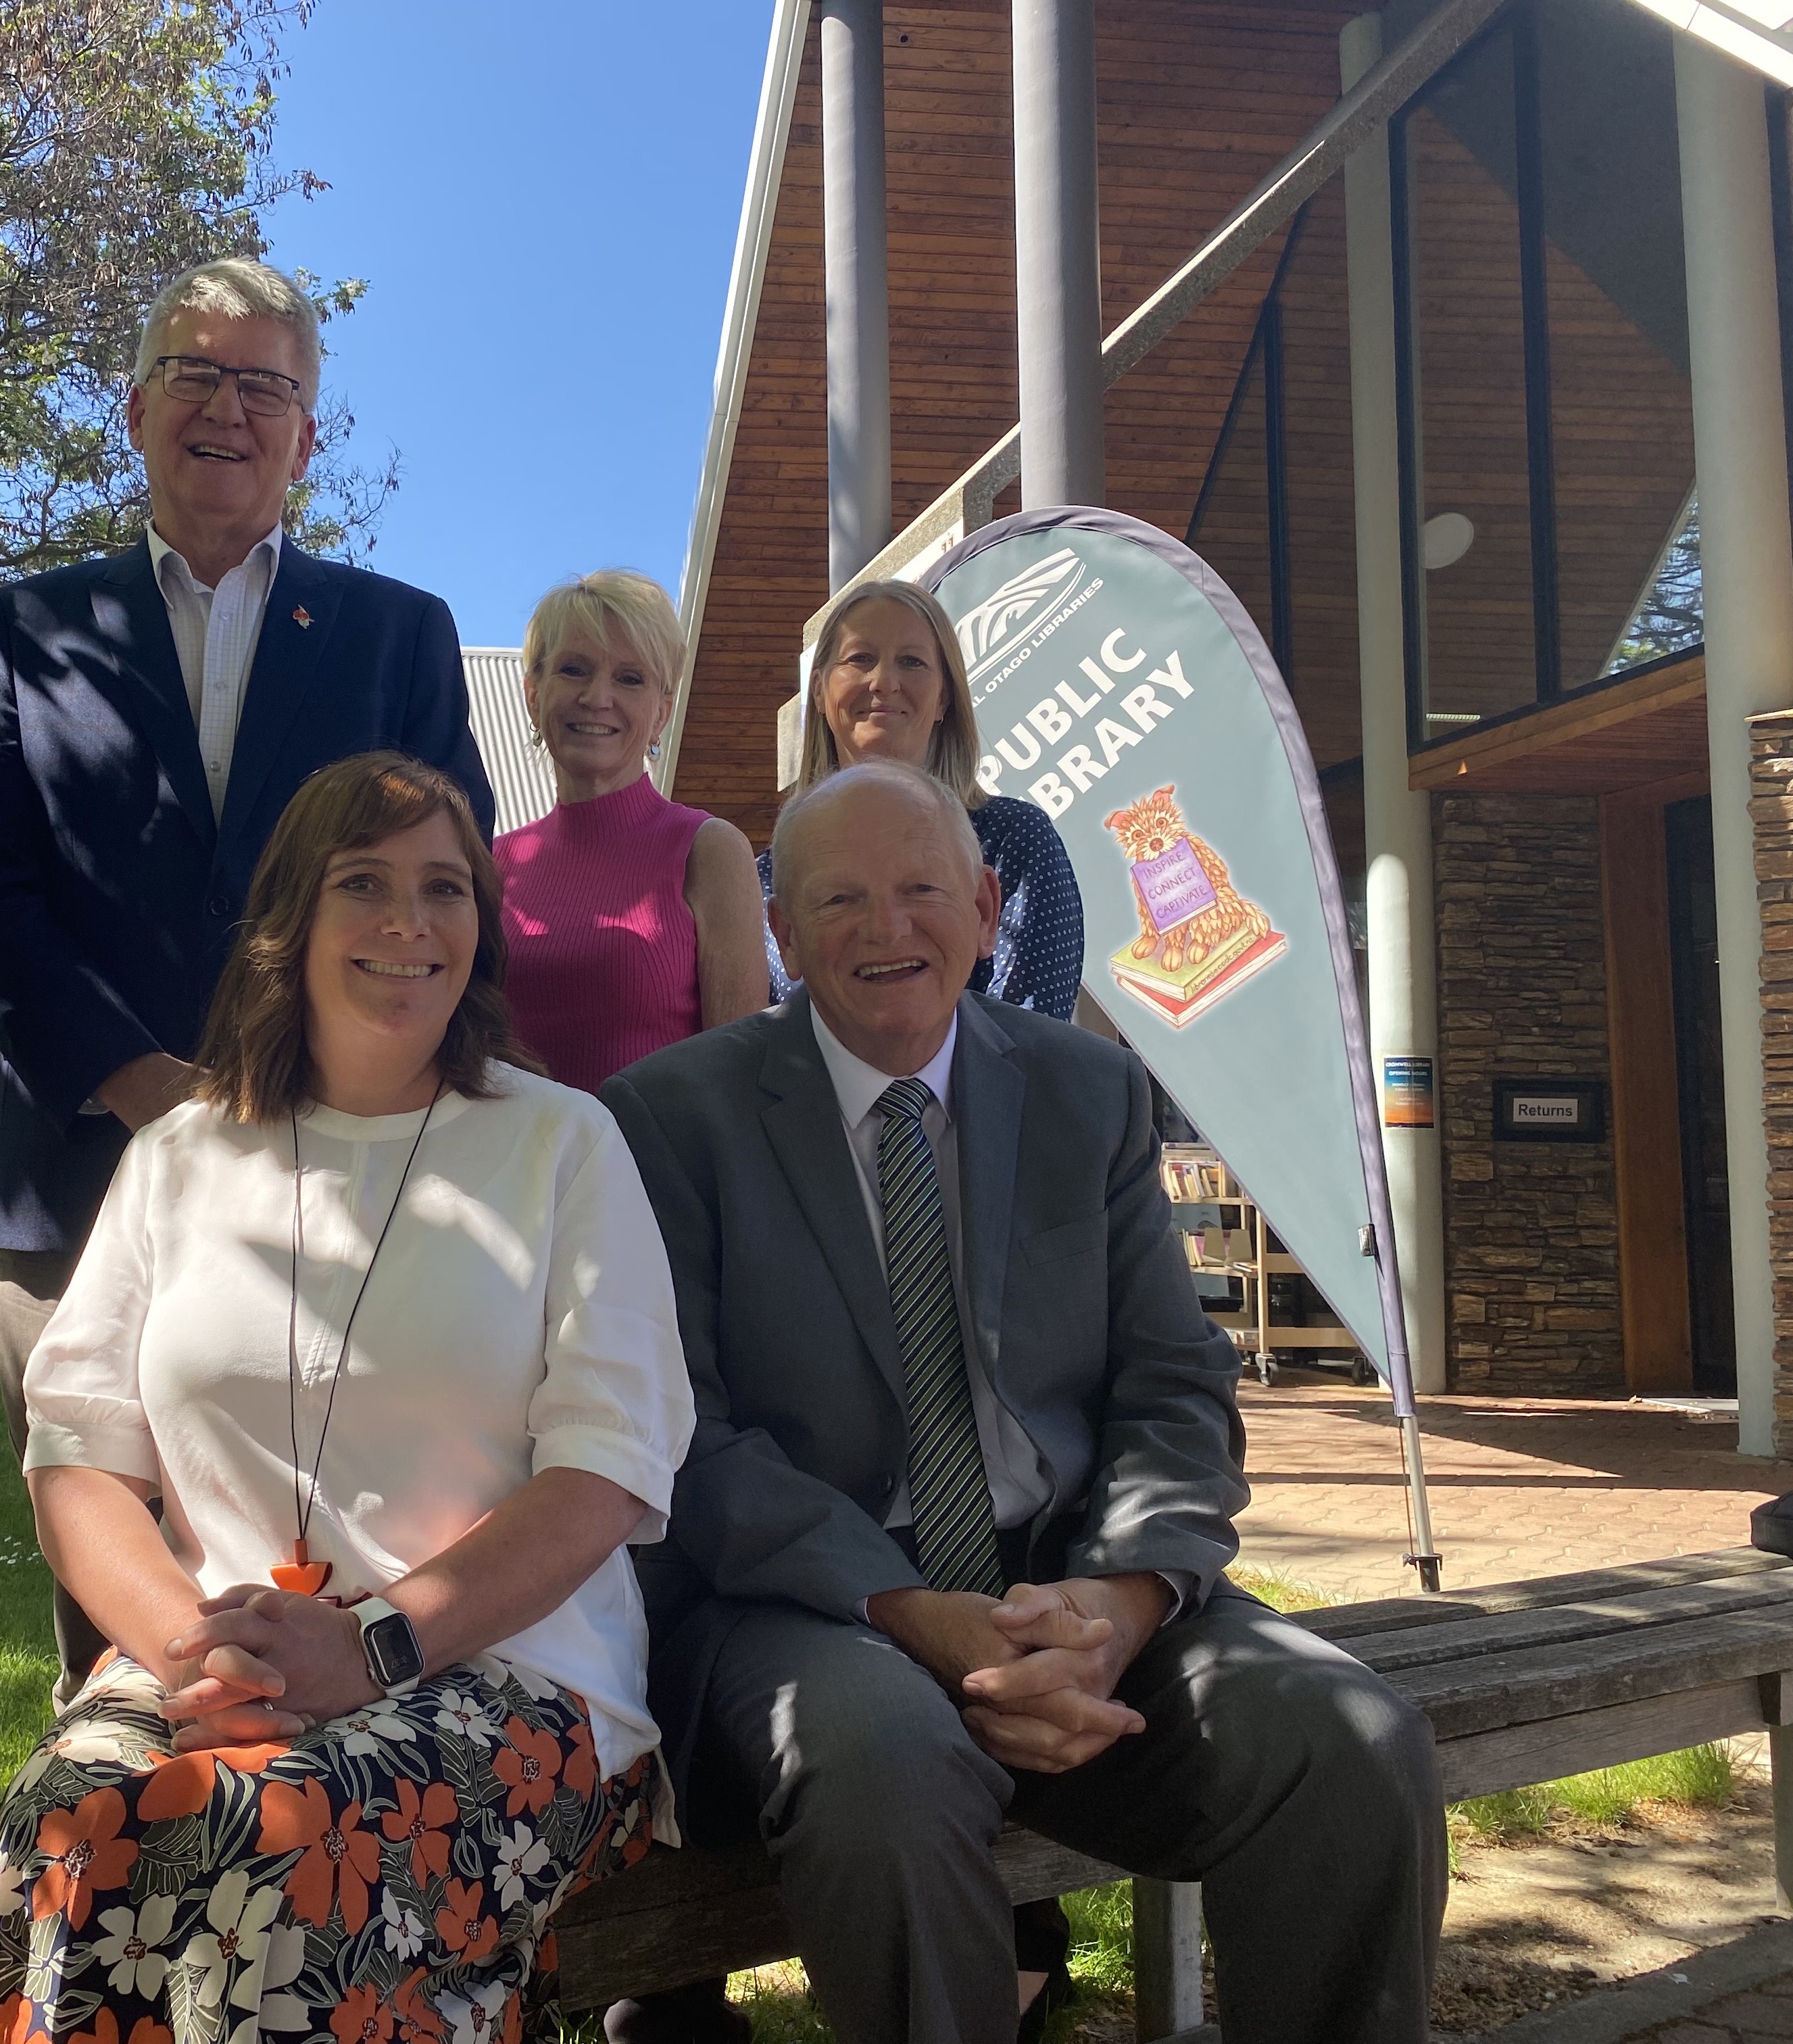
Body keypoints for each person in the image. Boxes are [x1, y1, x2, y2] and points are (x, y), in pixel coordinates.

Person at [600, 761, 1444, 2044]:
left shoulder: (1086, 1090)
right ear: (776, 927)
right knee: (887, 1756)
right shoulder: (671, 1116)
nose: (886, 930)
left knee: (1350, 1737)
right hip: (809, 1612)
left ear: (990, 907)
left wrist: (1122, 1598)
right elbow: (685, 1440)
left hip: (1068, 1594)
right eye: (838, 899)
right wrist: (912, 1612)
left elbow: (1173, 1382)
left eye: (922, 888)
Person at [0, 752, 694, 2044]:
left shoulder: (561, 1140)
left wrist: (372, 1647)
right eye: (366, 882)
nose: (410, 922)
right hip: (214, 1658)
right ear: (290, 921)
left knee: (290, 1846)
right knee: (72, 1813)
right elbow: (75, 1454)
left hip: (509, 1673)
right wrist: (195, 1646)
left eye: (444, 888)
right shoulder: (180, 1153)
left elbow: (608, 1465)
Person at [0, 258, 495, 1695]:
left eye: (268, 386)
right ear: (134, 409)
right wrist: (148, 1086)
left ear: (309, 437)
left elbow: (449, 891)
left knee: (341, 1573)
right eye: (197, 374)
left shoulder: (399, 636)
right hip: (83, 1171)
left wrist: (310, 1098)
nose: (229, 409)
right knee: (121, 1612)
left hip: (343, 1185)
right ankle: (120, 1815)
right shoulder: (22, 632)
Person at [495, 571, 767, 1093]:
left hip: (653, 1172)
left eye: (630, 678)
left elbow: (740, 1078)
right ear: (533, 694)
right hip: (510, 1173)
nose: (598, 697)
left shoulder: (708, 851)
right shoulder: (490, 865)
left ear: (661, 712)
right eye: (574, 670)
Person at [763, 580, 1081, 1021]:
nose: (883, 682)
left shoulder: (1014, 839)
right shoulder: (770, 873)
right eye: (860, 659)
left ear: (943, 699)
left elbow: (1029, 1038)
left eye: (911, 662)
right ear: (819, 690)